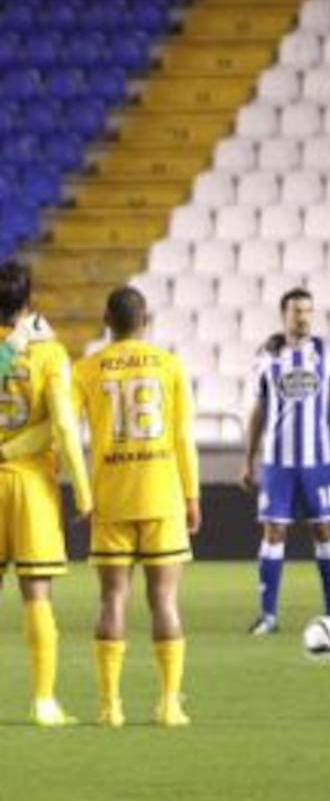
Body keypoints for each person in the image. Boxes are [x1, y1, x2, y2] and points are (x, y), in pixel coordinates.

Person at [72, 286, 201, 727]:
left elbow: (65, 428)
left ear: (107, 320)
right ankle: (169, 704)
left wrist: (80, 489)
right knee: (164, 599)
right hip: (162, 494)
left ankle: (110, 706)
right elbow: (182, 437)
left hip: (111, 497)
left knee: (112, 599)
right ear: (146, 319)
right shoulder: (169, 365)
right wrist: (192, 496)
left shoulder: (87, 369)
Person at [0, 260, 92, 726]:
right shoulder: (50, 353)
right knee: (36, 593)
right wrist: (83, 489)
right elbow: (63, 426)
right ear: (29, 299)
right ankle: (43, 701)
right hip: (31, 484)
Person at [243, 288, 330, 635]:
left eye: (308, 311)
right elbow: (259, 408)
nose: (304, 317)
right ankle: (268, 616)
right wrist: (248, 459)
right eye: (297, 311)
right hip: (278, 463)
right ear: (284, 315)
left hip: (318, 462)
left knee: (323, 530)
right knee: (274, 532)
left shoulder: (329, 352)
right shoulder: (267, 356)